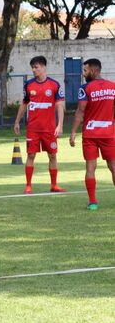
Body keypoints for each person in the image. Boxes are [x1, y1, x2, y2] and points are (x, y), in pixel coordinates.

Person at [13, 55, 66, 194]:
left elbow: (60, 106)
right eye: (32, 67)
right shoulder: (29, 85)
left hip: (49, 129)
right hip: (33, 129)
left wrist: (60, 125)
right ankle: (28, 185)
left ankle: (54, 185)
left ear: (43, 67)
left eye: (36, 67)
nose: (34, 70)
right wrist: (17, 121)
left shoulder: (54, 85)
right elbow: (24, 103)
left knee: (53, 156)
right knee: (31, 155)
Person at [69, 58, 115, 211]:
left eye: (85, 70)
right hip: (109, 133)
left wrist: (73, 132)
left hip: (90, 134)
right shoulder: (112, 86)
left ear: (94, 71)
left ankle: (93, 202)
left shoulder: (85, 88)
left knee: (90, 167)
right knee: (113, 166)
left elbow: (80, 111)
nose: (83, 74)